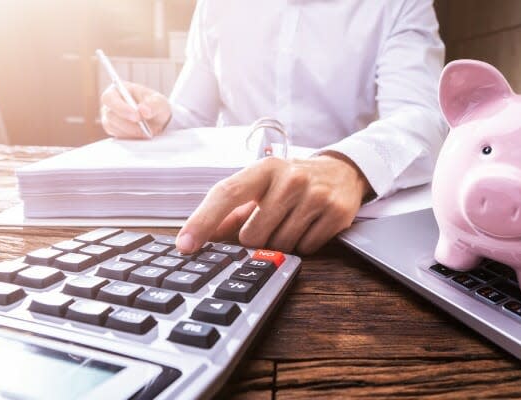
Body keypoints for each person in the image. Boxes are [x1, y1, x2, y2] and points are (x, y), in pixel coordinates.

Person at [100, 0, 447, 255]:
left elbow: (422, 117)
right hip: (220, 220)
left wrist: (351, 166)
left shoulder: (399, 5)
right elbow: (192, 116)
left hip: (332, 224)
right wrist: (154, 116)